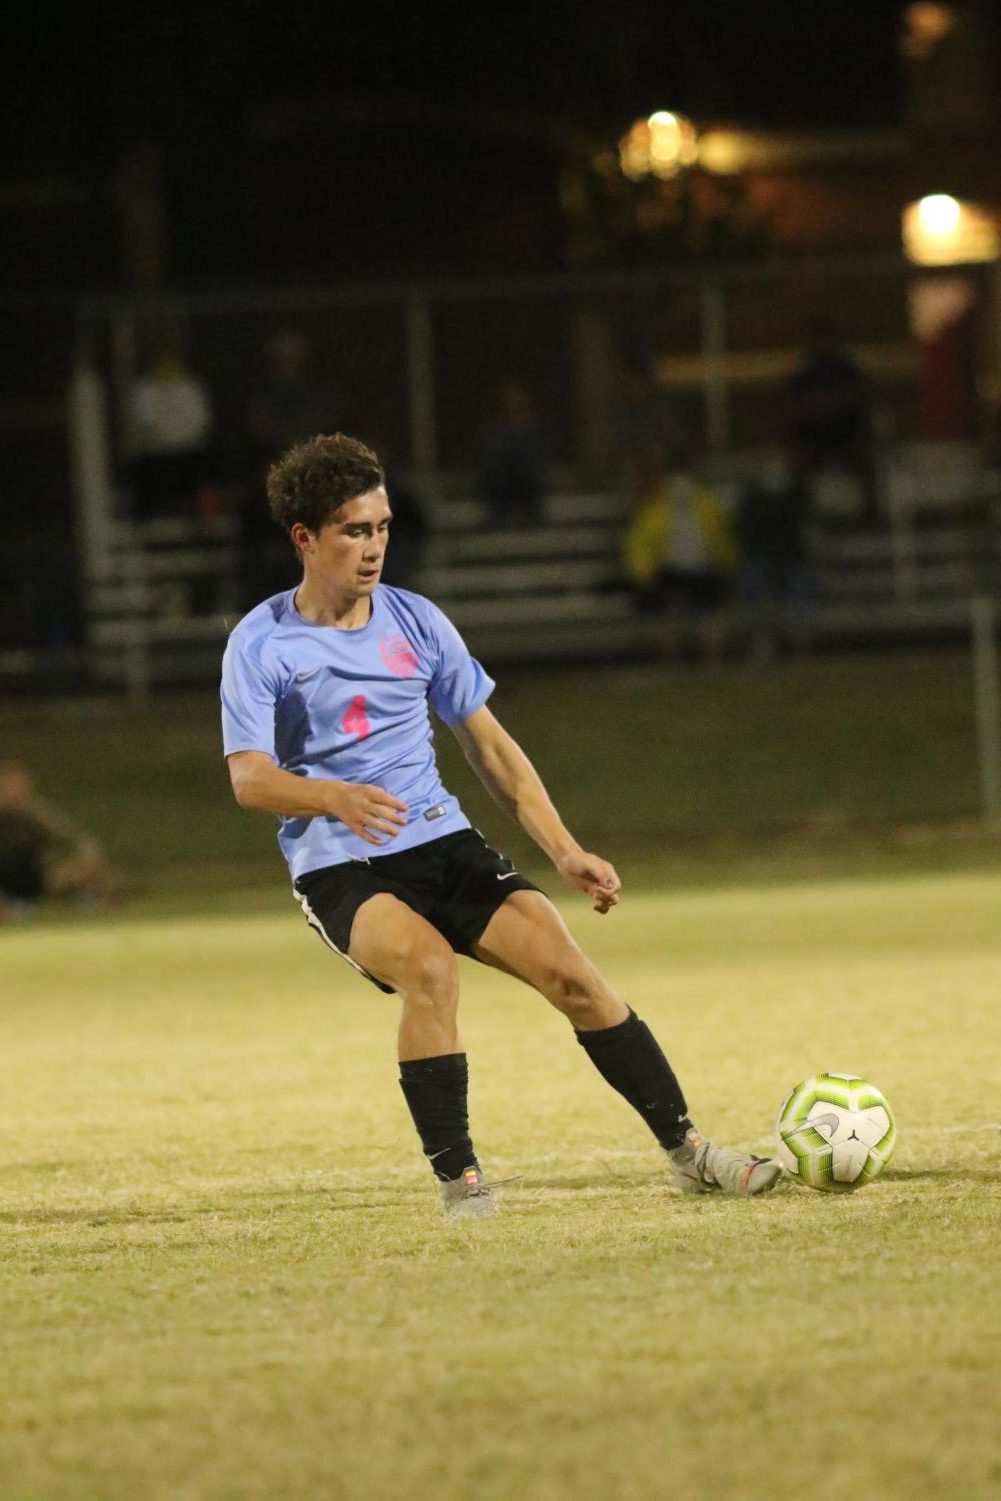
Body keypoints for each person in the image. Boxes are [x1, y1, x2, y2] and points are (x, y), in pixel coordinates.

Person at [220, 433, 781, 1218]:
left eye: (382, 526)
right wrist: (332, 797)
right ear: (304, 538)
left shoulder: (415, 622)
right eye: (354, 530)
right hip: (337, 861)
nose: (375, 545)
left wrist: (564, 848)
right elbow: (249, 778)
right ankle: (462, 1183)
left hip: (438, 841)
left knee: (574, 976)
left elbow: (488, 745)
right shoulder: (262, 641)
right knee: (428, 970)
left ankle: (689, 1152)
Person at [0, 763, 115, 920]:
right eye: (10, 787)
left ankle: (97, 905)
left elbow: (76, 839)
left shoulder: (35, 815)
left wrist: (86, 856)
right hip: (5, 884)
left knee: (89, 858)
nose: (17, 793)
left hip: (35, 880)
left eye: (22, 787)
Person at [735, 444, 815, 660]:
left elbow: (801, 522)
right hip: (761, 556)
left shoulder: (797, 490)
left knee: (801, 591)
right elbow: (746, 525)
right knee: (753, 589)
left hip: (791, 556)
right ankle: (759, 643)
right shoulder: (754, 493)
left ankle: (800, 643)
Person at [479, 383, 547, 528]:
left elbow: (537, 456)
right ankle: (501, 515)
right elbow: (491, 456)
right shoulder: (495, 431)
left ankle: (529, 515)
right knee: (498, 476)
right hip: (503, 480)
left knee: (529, 474)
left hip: (525, 479)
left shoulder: (533, 430)